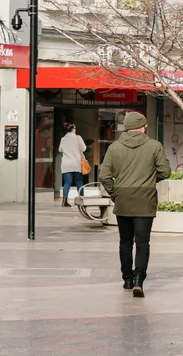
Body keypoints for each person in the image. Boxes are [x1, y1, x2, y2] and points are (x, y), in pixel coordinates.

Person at [100, 111, 170, 297]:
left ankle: (127, 280)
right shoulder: (154, 146)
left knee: (125, 242)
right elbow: (165, 171)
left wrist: (115, 193)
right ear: (143, 127)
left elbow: (104, 176)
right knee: (142, 242)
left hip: (123, 199)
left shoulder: (114, 148)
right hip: (145, 200)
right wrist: (149, 179)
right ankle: (139, 279)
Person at [57, 122, 88, 207]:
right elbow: (84, 148)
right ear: (73, 129)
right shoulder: (78, 138)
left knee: (67, 182)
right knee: (79, 182)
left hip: (66, 164)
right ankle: (82, 200)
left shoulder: (63, 139)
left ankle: (64, 201)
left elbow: (60, 149)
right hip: (76, 163)